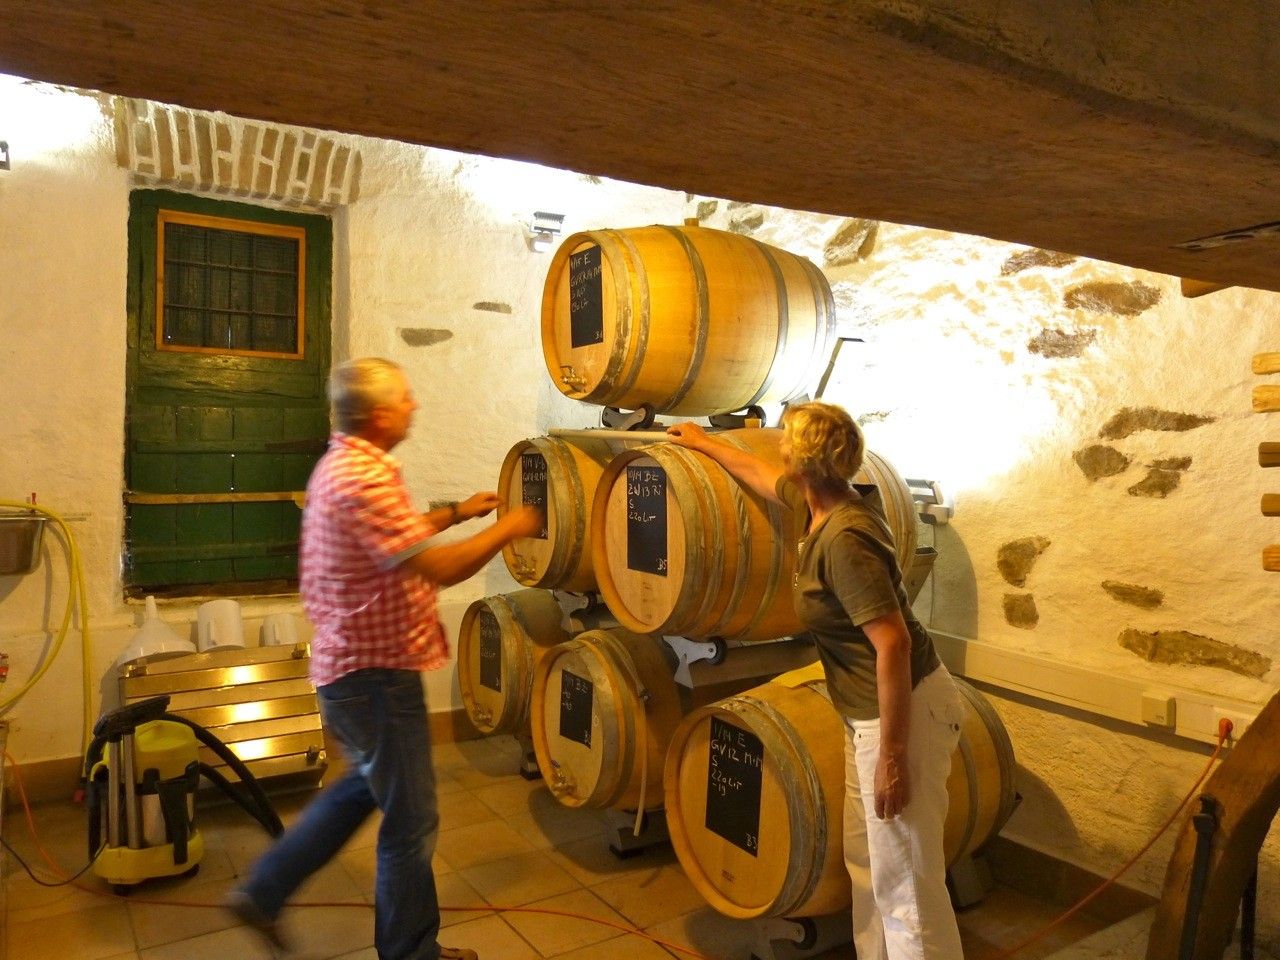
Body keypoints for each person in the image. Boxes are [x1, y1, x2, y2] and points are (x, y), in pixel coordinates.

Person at [229, 357, 542, 960]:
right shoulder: (365, 477)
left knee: (365, 790)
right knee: (412, 823)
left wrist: (457, 513)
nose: (414, 406)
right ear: (377, 415)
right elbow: (440, 567)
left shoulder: (344, 463)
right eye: (405, 398)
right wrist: (510, 529)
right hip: (373, 677)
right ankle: (409, 953)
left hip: (354, 672)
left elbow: (392, 538)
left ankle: (263, 890)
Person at [667, 402, 964, 960]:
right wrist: (702, 443)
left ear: (802, 464)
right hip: (869, 714)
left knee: (906, 880)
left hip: (903, 714)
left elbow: (893, 644)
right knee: (868, 861)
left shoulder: (846, 539)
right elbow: (760, 477)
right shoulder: (822, 503)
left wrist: (893, 756)